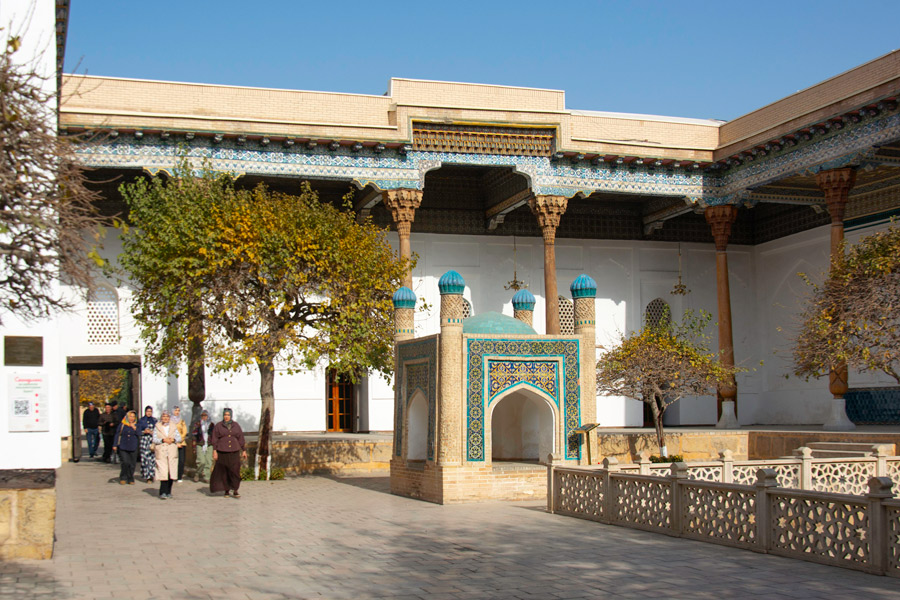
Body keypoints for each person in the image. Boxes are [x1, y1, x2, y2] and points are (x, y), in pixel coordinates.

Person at [210, 408, 247, 498]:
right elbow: (214, 439)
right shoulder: (219, 426)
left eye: (228, 415)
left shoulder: (236, 425)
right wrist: (215, 451)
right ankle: (226, 490)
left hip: (234, 451)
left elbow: (240, 438)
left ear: (231, 416)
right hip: (222, 451)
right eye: (225, 415)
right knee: (224, 471)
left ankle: (235, 489)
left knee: (235, 471)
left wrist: (244, 450)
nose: (226, 417)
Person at [153, 411, 181, 500]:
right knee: (163, 471)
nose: (165, 418)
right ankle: (163, 491)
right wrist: (163, 440)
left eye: (167, 416)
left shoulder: (173, 426)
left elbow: (179, 438)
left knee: (171, 471)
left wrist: (173, 439)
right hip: (161, 451)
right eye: (164, 416)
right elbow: (154, 439)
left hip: (171, 450)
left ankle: (169, 491)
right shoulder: (157, 426)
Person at [112, 410, 139, 484]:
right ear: (127, 417)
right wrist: (114, 445)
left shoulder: (137, 425)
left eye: (133, 417)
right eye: (130, 416)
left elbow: (140, 433)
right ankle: (123, 477)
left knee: (132, 464)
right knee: (125, 462)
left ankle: (130, 478)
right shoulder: (122, 424)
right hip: (123, 446)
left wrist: (134, 428)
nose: (132, 418)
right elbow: (117, 434)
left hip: (133, 446)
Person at [192, 410, 215, 483]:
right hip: (200, 443)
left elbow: (214, 435)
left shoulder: (211, 425)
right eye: (202, 416)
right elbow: (194, 436)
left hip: (209, 444)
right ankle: (197, 473)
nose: (204, 417)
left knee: (208, 461)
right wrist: (194, 446)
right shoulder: (197, 424)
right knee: (201, 461)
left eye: (205, 416)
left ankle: (207, 476)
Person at [136, 407, 157, 482]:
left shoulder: (154, 420)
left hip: (152, 442)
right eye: (148, 411)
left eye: (150, 411)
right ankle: (147, 475)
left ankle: (151, 475)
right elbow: (137, 431)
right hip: (144, 441)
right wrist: (143, 432)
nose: (149, 413)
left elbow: (158, 431)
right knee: (145, 459)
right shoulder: (141, 420)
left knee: (152, 459)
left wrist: (152, 432)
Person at [170, 405, 188, 482]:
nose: (177, 412)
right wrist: (174, 441)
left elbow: (184, 431)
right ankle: (172, 475)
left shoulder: (181, 421)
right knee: (173, 460)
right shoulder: (170, 421)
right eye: (175, 410)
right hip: (172, 443)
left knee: (181, 460)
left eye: (178, 410)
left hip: (181, 443)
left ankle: (179, 476)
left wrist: (180, 440)